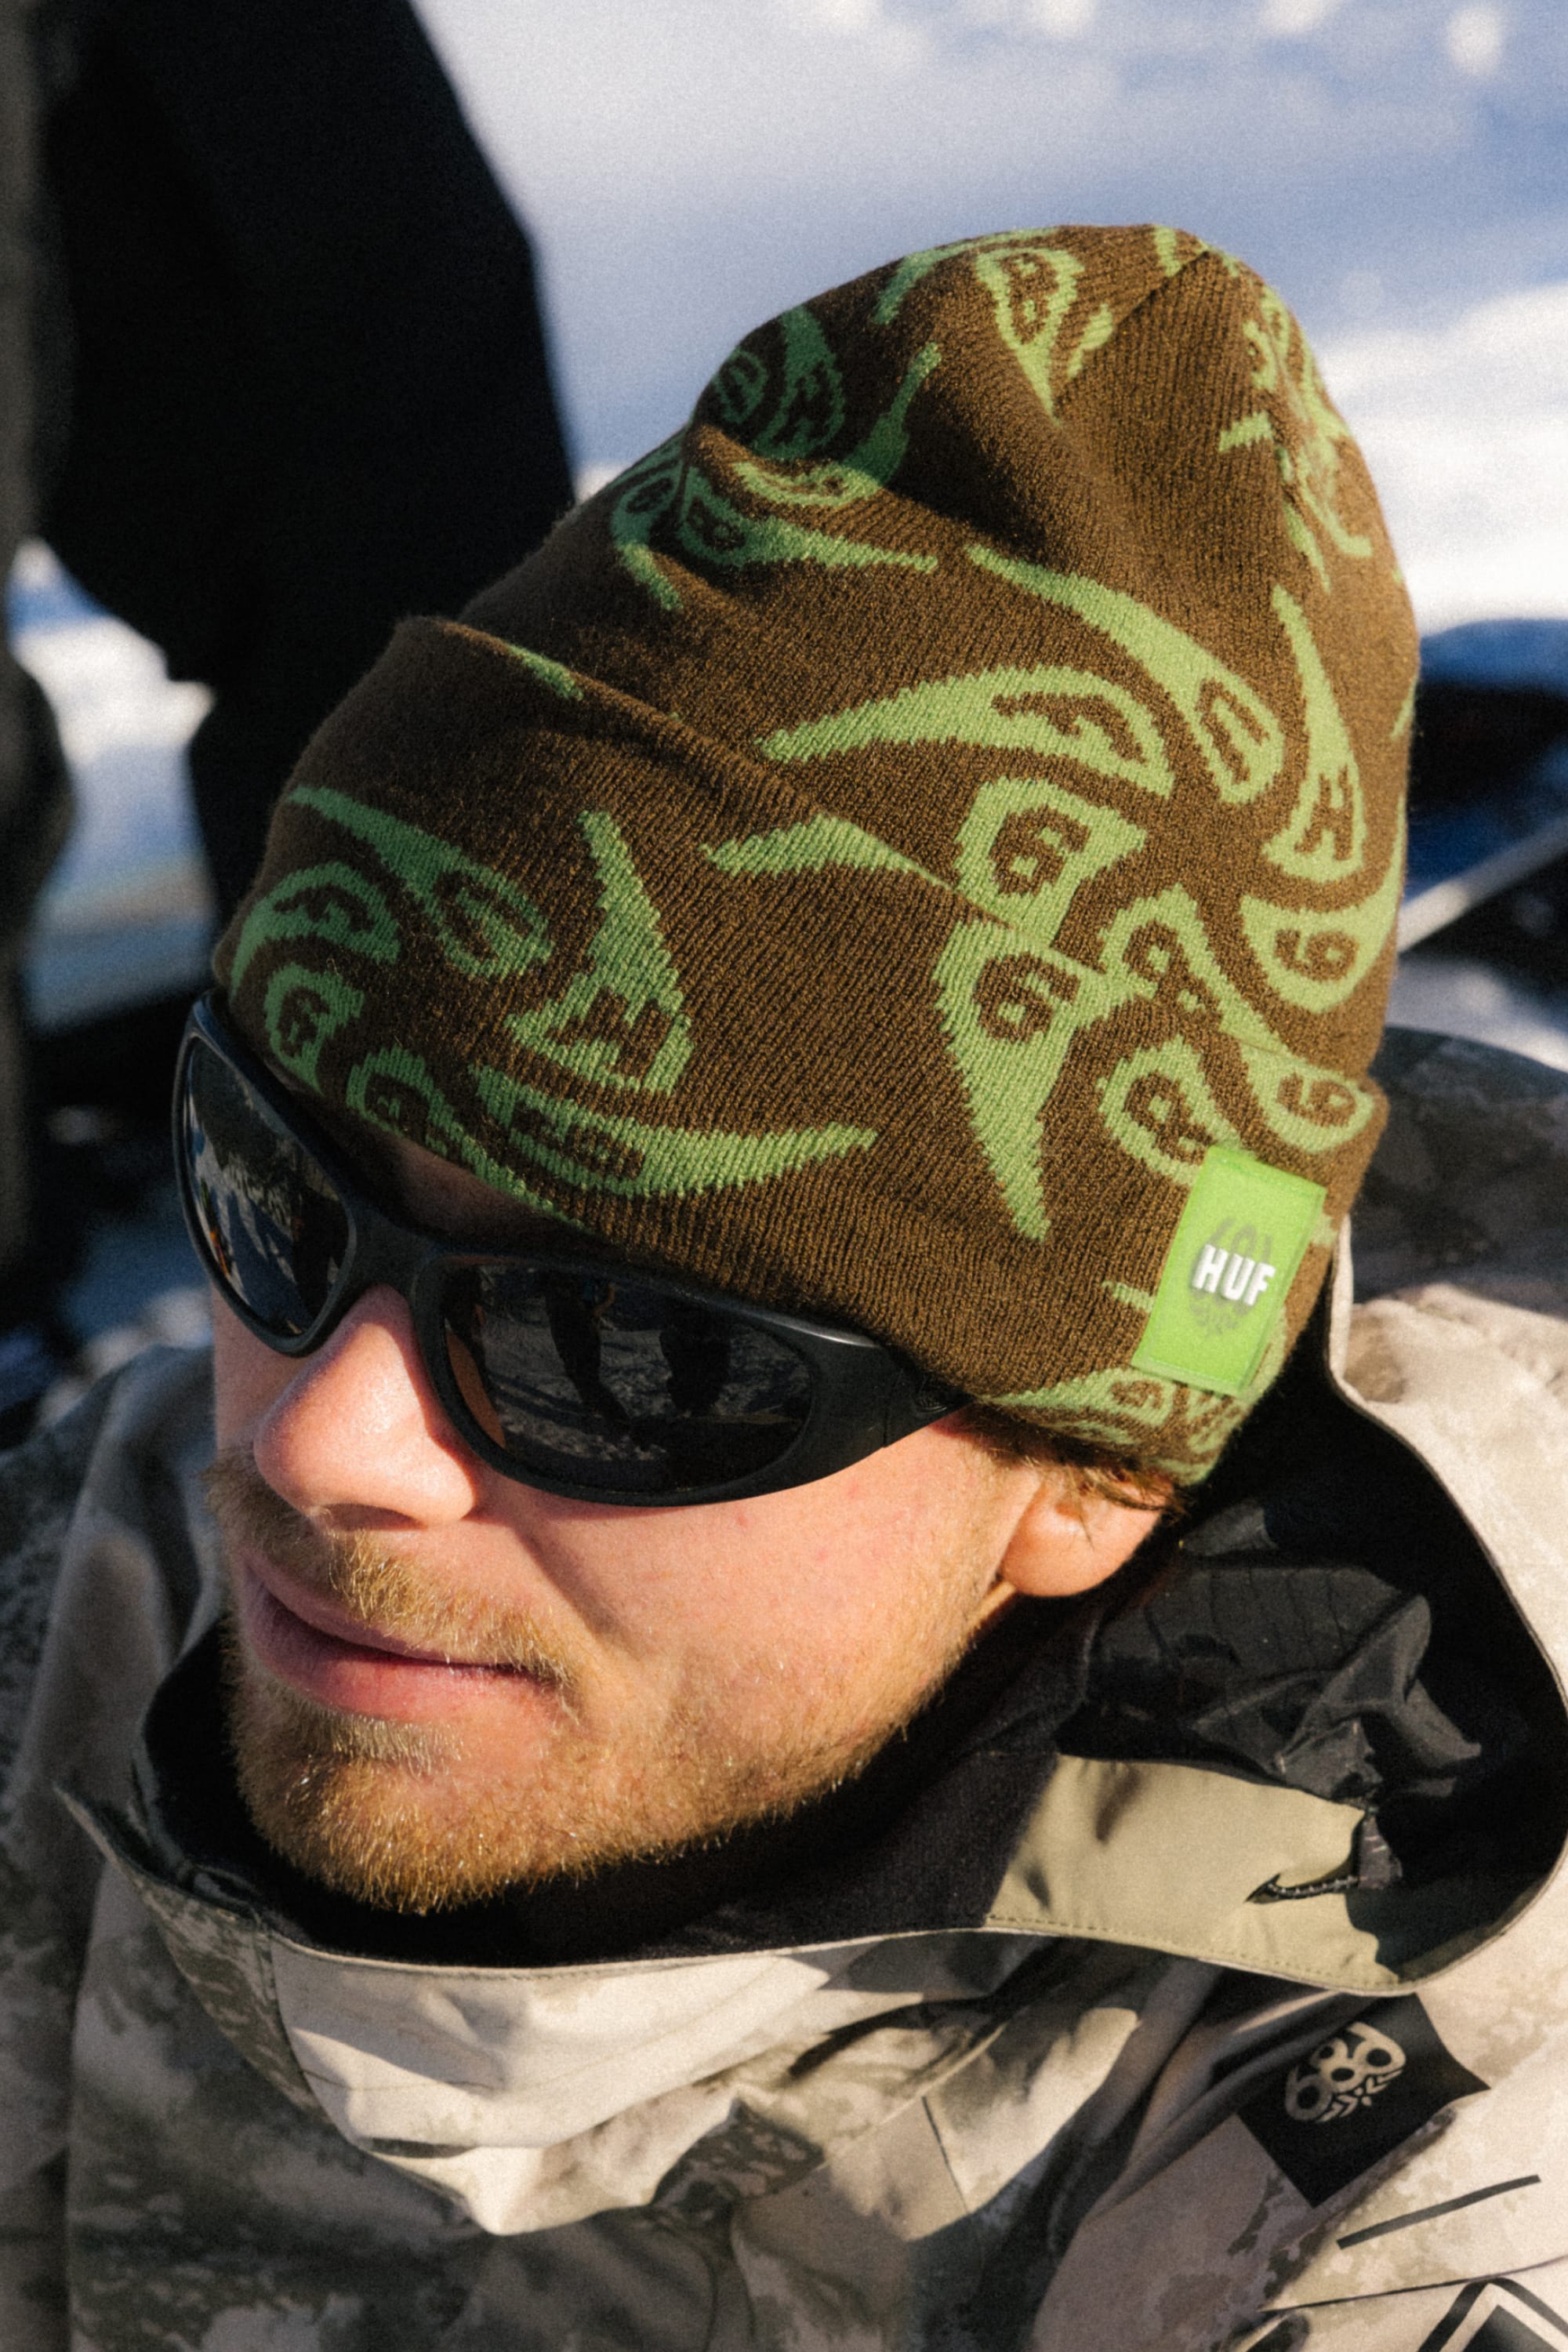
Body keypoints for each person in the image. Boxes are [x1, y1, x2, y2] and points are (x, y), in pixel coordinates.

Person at [4, 224, 1567, 2352]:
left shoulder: (1424, 2171)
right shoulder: (78, 1597)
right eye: (274, 1193)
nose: (320, 1438)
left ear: (1088, 1466)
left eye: (616, 1354)